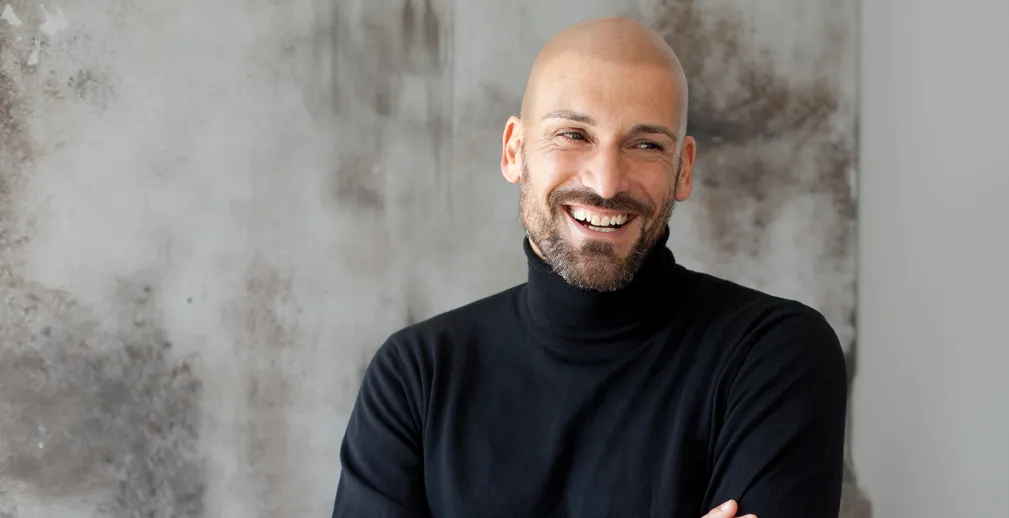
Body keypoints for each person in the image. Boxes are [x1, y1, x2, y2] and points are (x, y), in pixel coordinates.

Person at [332, 16, 848, 518]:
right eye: (573, 135)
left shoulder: (772, 355)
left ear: (684, 169)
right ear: (514, 151)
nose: (606, 183)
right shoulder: (416, 377)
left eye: (645, 144)